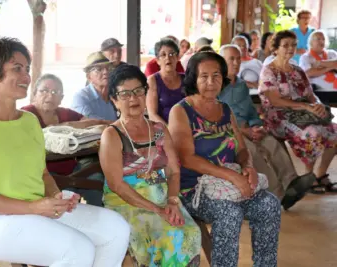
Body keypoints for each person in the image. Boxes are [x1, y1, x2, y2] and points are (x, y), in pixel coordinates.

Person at [0, 37, 130, 267]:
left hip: (37, 209)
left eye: (27, 69)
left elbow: (43, 174)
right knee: (77, 250)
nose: (26, 77)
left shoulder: (29, 122)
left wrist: (57, 197)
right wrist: (33, 207)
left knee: (116, 229)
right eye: (17, 68)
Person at [168, 51, 281, 267]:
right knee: (229, 212)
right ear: (194, 78)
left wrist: (247, 167)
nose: (211, 82)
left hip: (228, 185)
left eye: (216, 76)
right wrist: (233, 177)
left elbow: (241, 148)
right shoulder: (181, 111)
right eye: (204, 76)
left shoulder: (225, 109)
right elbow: (187, 158)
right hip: (193, 190)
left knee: (269, 205)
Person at [99, 64, 201, 266]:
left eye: (138, 91)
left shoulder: (159, 129)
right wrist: (156, 209)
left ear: (146, 93)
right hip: (127, 203)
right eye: (125, 94)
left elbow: (173, 171)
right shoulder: (112, 135)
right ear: (114, 100)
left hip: (162, 197)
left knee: (190, 232)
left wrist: (172, 202)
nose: (133, 98)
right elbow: (117, 185)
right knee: (168, 236)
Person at [219, 44, 315, 209]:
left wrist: (258, 126)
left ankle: (292, 182)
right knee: (252, 151)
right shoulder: (216, 87)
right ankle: (277, 194)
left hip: (249, 128)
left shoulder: (242, 86)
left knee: (271, 142)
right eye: (231, 59)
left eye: (238, 59)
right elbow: (218, 119)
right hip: (229, 132)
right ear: (221, 62)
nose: (235, 63)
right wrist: (245, 131)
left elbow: (250, 111)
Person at [259, 30, 337, 194]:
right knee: (312, 133)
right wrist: (305, 107)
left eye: (293, 45)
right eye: (285, 45)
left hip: (303, 115)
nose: (290, 48)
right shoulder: (269, 71)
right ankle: (308, 177)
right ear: (275, 49)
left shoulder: (297, 70)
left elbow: (310, 94)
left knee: (334, 132)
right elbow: (275, 101)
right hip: (279, 117)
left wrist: (317, 104)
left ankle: (320, 174)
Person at [21, 74, 109, 206]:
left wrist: (68, 125)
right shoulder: (25, 115)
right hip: (45, 174)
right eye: (44, 90)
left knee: (97, 175)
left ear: (61, 98)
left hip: (74, 169)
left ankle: (97, 216)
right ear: (34, 94)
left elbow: (91, 123)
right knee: (66, 193)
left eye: (55, 92)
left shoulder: (64, 113)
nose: (50, 95)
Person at [146, 38, 185, 124]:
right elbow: (152, 114)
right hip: (161, 130)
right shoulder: (152, 80)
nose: (168, 58)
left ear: (177, 57)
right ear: (157, 60)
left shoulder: (185, 79)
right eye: (163, 55)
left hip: (185, 128)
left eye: (171, 54)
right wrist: (169, 130)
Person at [71, 51, 118, 121]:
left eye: (108, 68)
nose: (105, 72)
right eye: (99, 69)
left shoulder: (116, 94)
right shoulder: (81, 97)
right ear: (89, 77)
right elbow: (92, 123)